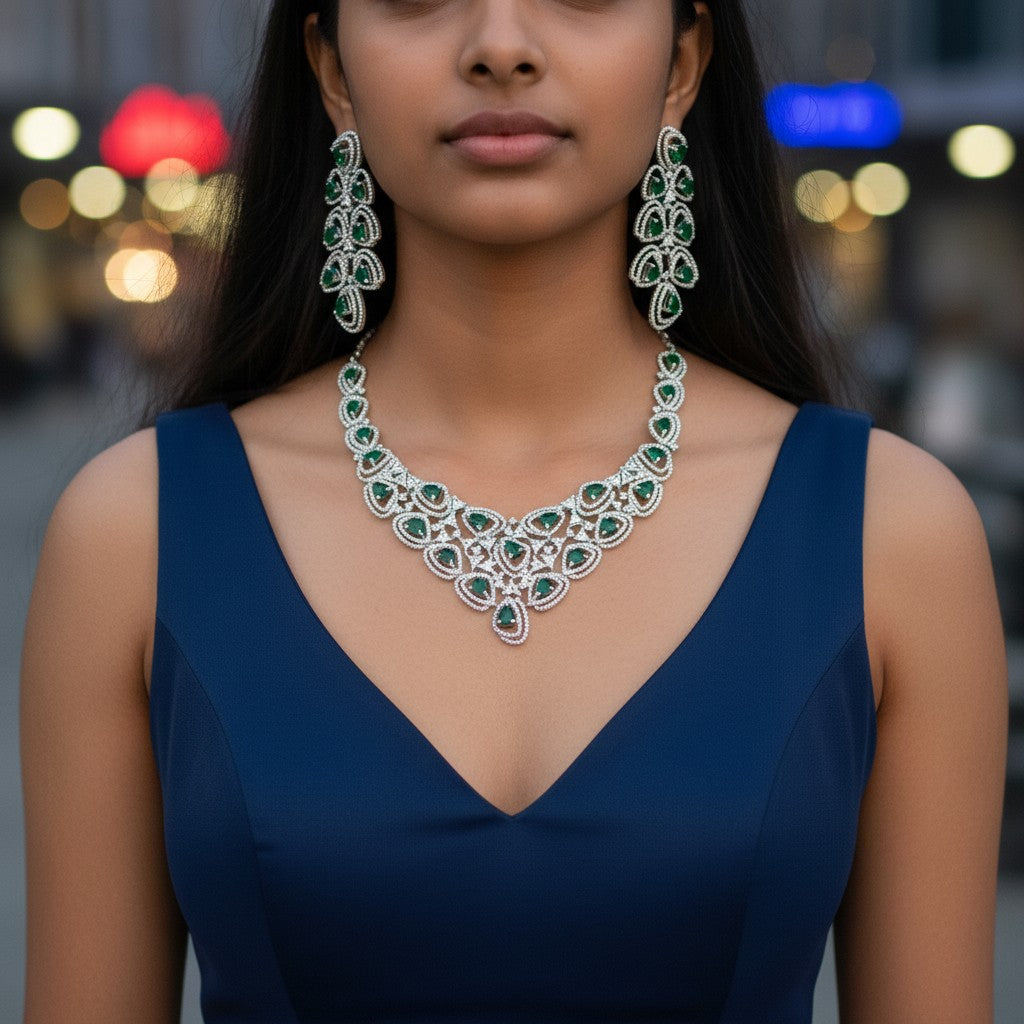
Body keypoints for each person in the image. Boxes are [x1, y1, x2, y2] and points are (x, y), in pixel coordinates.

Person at [20, 1, 1008, 1021]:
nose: (501, 44)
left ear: (682, 59)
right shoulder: (135, 534)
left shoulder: (888, 534)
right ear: (332, 67)